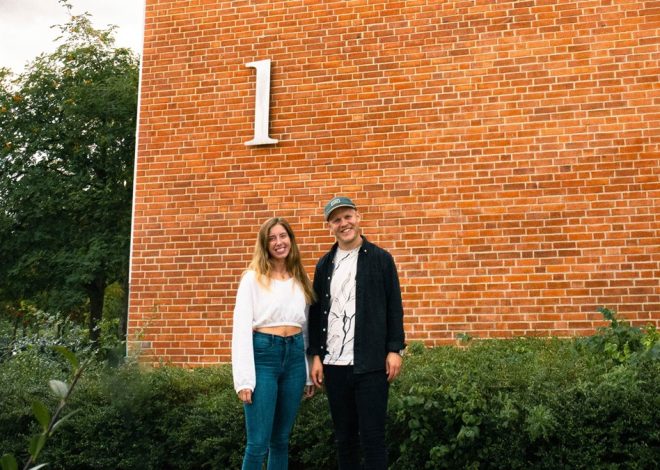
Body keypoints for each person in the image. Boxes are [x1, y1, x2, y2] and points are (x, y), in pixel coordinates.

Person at [308, 196, 406, 470]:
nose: (343, 223)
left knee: (373, 438)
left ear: (358, 217)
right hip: (334, 366)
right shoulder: (324, 265)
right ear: (330, 226)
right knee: (344, 439)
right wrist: (315, 355)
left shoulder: (381, 259)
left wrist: (395, 349)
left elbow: (394, 307)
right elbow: (315, 313)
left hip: (371, 365)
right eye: (336, 220)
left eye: (347, 216)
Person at [232, 217, 316, 470]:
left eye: (283, 236)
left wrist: (308, 373)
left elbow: (306, 331)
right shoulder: (252, 279)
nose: (279, 242)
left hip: (293, 360)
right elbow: (241, 330)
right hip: (263, 357)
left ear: (290, 239)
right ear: (265, 245)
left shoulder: (300, 279)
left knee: (281, 440)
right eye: (272, 238)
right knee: (258, 443)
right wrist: (244, 380)